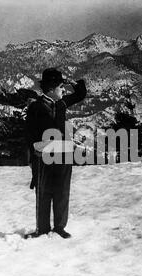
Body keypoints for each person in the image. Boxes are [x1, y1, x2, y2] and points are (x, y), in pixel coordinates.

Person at [24, 68, 87, 239]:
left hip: (63, 158)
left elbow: (81, 94)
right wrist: (34, 157)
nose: (64, 90)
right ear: (51, 89)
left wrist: (69, 81)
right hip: (43, 159)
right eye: (60, 87)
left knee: (62, 193)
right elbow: (30, 135)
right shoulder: (35, 108)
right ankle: (42, 229)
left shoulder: (62, 103)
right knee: (43, 194)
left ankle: (60, 227)